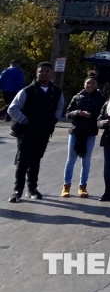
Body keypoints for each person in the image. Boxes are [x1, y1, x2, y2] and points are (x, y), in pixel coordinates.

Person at [7, 62, 64, 202]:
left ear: (51, 73)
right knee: (22, 161)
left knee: (36, 160)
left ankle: (32, 189)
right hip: (26, 132)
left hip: (43, 132)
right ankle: (17, 191)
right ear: (36, 73)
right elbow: (12, 109)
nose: (43, 73)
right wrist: (25, 121)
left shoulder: (56, 92)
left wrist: (54, 120)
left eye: (46, 71)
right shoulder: (27, 91)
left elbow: (60, 108)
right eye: (41, 71)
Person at [62, 76, 104, 198]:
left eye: (92, 83)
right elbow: (67, 114)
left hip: (90, 133)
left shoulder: (101, 99)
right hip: (76, 132)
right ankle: (66, 186)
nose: (90, 85)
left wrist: (91, 115)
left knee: (86, 161)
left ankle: (82, 186)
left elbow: (103, 114)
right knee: (70, 160)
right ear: (83, 84)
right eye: (87, 83)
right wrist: (77, 113)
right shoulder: (77, 97)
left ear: (97, 85)